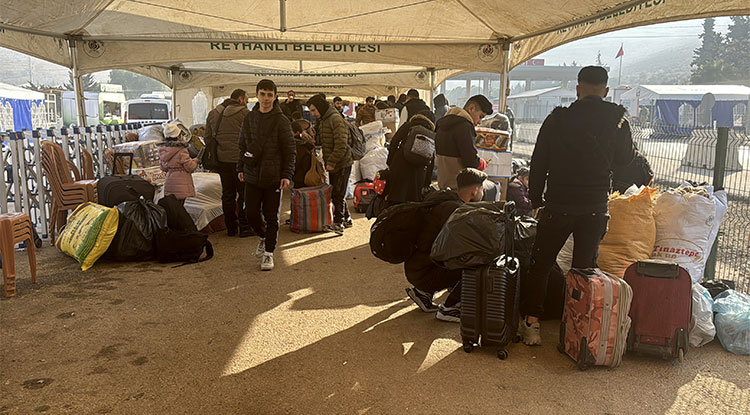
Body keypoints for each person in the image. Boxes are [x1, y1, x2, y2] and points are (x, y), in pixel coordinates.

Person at [519, 66, 635, 345]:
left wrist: (536, 200)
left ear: (578, 89)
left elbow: (539, 162)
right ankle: (578, 328)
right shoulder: (618, 119)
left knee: (541, 265)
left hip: (558, 204)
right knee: (584, 269)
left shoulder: (557, 119)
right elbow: (626, 159)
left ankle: (532, 325)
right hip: (594, 206)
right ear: (605, 91)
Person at [405, 168, 488, 322]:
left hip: (416, 267)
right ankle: (450, 307)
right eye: (482, 189)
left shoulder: (445, 200)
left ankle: (423, 293)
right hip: (425, 272)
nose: (483, 192)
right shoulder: (456, 211)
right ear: (475, 190)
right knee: (478, 260)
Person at [237, 79, 296, 271]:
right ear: (256, 95)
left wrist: (287, 174)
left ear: (275, 97)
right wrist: (240, 168)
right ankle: (263, 237)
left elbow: (289, 150)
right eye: (263, 94)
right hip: (252, 175)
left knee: (272, 216)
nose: (266, 98)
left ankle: (269, 253)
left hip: (273, 178)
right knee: (250, 213)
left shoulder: (281, 121)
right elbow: (242, 145)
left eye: (270, 95)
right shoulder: (249, 118)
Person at [204, 88, 252, 237]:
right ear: (239, 99)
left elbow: (207, 138)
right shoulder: (245, 114)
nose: (247, 103)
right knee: (244, 194)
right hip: (240, 161)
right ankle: (245, 227)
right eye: (246, 100)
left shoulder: (213, 114)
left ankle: (231, 227)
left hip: (221, 160)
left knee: (227, 194)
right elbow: (252, 138)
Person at [306, 94, 353, 235]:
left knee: (338, 193)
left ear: (320, 107)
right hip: (335, 161)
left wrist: (331, 162)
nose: (313, 114)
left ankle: (338, 223)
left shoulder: (335, 119)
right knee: (337, 192)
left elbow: (341, 144)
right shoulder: (325, 120)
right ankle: (346, 218)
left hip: (342, 162)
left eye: (314, 110)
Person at [434, 94, 493, 190]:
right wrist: (482, 163)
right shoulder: (465, 127)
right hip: (461, 188)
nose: (479, 122)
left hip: (443, 184)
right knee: (492, 188)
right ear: (471, 108)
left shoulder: (442, 124)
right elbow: (471, 161)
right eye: (480, 116)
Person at [386, 110, 436, 204]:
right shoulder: (430, 133)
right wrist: (427, 181)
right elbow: (431, 158)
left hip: (400, 163)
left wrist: (390, 162)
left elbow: (394, 141)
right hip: (419, 169)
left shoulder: (408, 125)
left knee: (396, 195)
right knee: (413, 199)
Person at [158, 123, 199, 204]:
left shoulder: (162, 150)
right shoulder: (181, 150)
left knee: (173, 207)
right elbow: (190, 167)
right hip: (182, 183)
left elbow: (163, 168)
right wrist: (196, 160)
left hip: (169, 182)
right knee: (180, 207)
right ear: (178, 137)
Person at [291, 119, 316, 188]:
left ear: (297, 132)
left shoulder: (298, 146)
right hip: (306, 176)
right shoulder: (305, 143)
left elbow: (296, 163)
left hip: (300, 177)